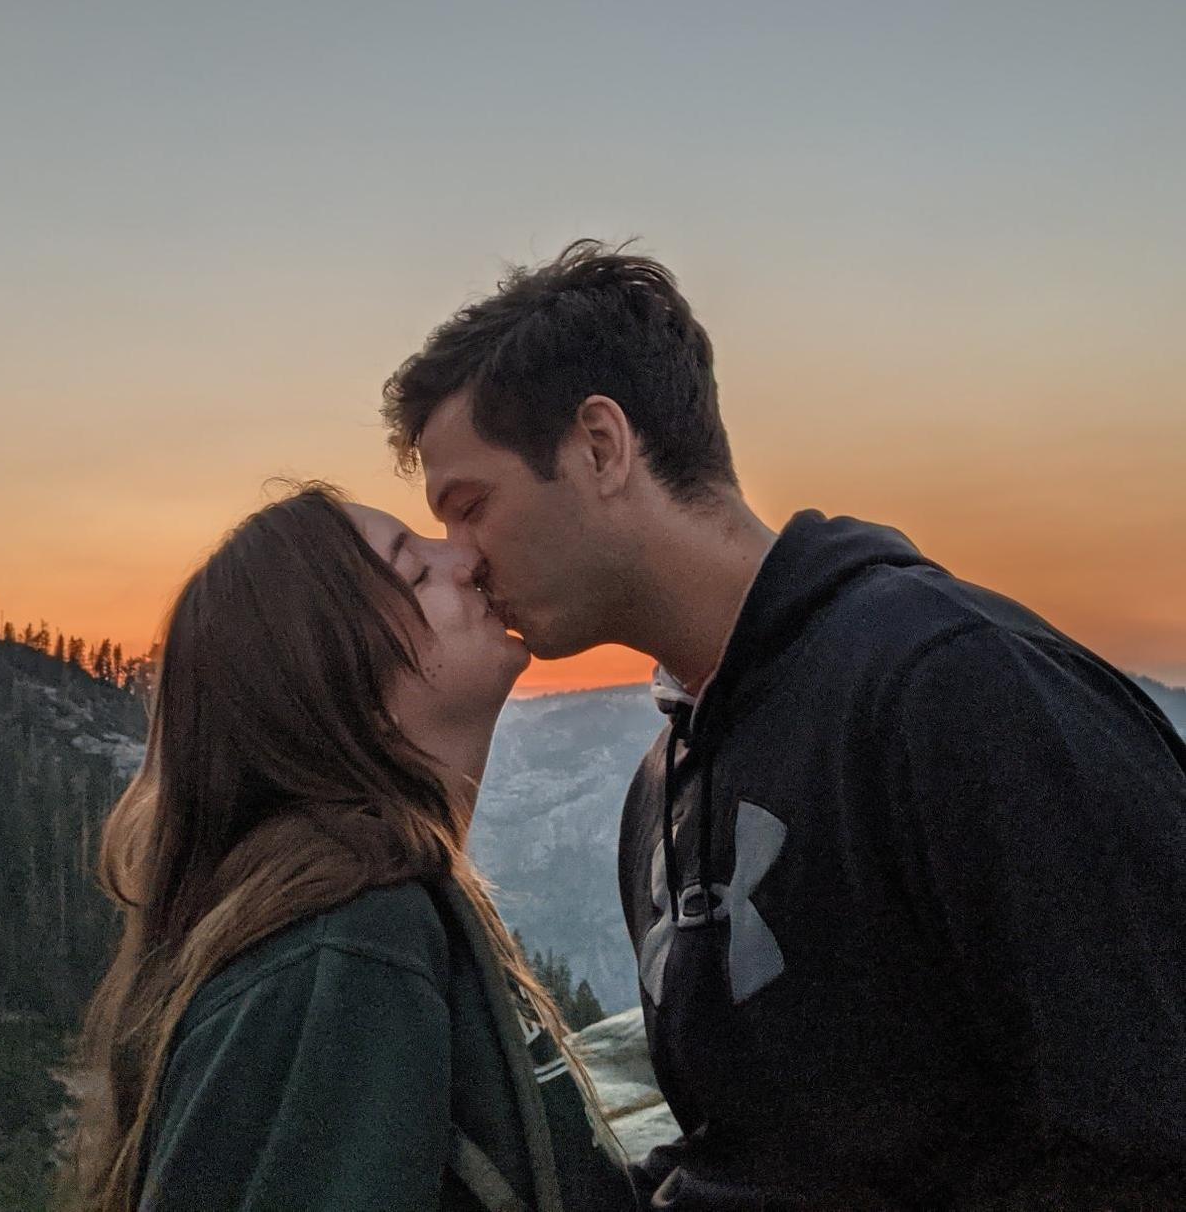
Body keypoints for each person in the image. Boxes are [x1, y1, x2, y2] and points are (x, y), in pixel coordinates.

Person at [382, 240, 1186, 1209]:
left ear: (600, 447)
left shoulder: (947, 693)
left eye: (470, 508)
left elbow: (1147, 1133)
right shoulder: (659, 799)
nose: (460, 561)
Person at [67, 484, 635, 1212]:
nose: (461, 556)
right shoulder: (346, 949)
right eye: (415, 573)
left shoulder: (356, 923)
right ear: (339, 683)